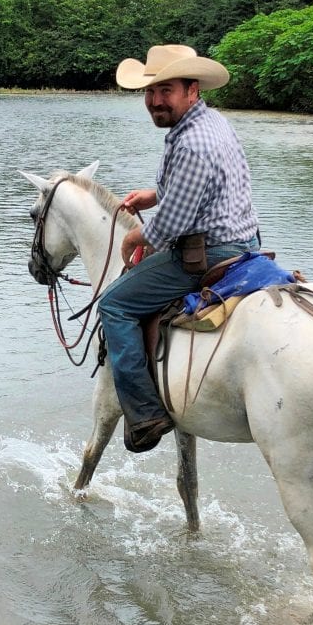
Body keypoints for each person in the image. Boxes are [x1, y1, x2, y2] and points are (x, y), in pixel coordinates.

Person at [99, 44, 260, 453]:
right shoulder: (210, 123)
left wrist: (136, 234)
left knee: (114, 304)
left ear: (192, 89)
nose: (155, 101)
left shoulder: (190, 144)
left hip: (207, 252)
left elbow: (171, 228)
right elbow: (203, 190)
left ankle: (145, 413)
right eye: (150, 92)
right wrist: (154, 195)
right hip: (244, 241)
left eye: (165, 90)